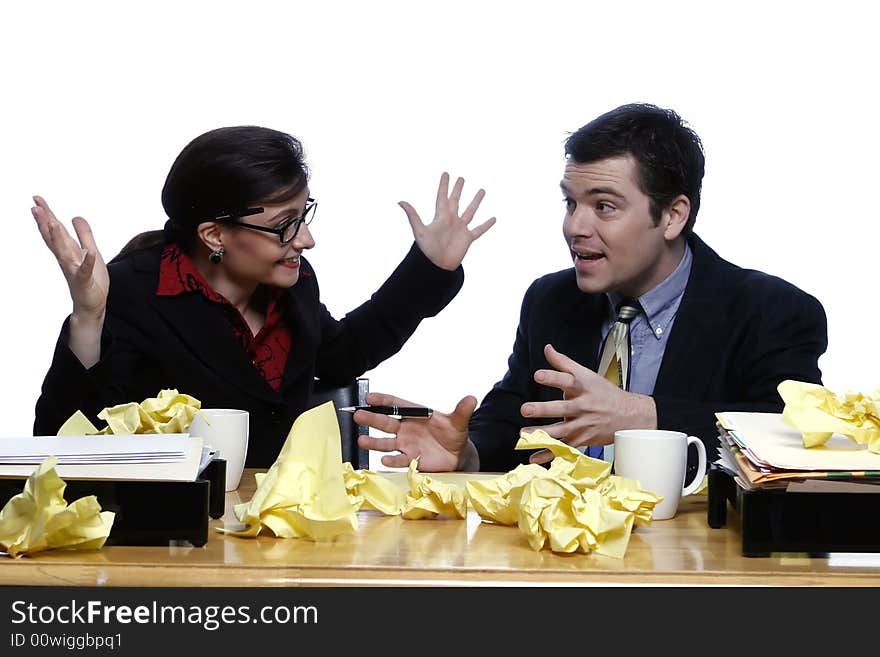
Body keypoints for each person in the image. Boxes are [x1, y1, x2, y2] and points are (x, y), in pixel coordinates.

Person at [356, 103, 828, 478]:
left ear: (672, 216)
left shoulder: (772, 311)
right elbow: (513, 414)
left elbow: (789, 439)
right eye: (571, 202)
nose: (574, 227)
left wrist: (643, 416)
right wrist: (468, 453)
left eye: (604, 206)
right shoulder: (550, 300)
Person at [32, 125, 496, 467]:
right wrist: (89, 318)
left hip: (282, 528)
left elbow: (338, 356)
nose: (306, 239)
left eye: (304, 214)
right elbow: (64, 443)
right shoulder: (133, 291)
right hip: (179, 537)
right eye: (284, 225)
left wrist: (428, 268)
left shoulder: (291, 283)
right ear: (214, 234)